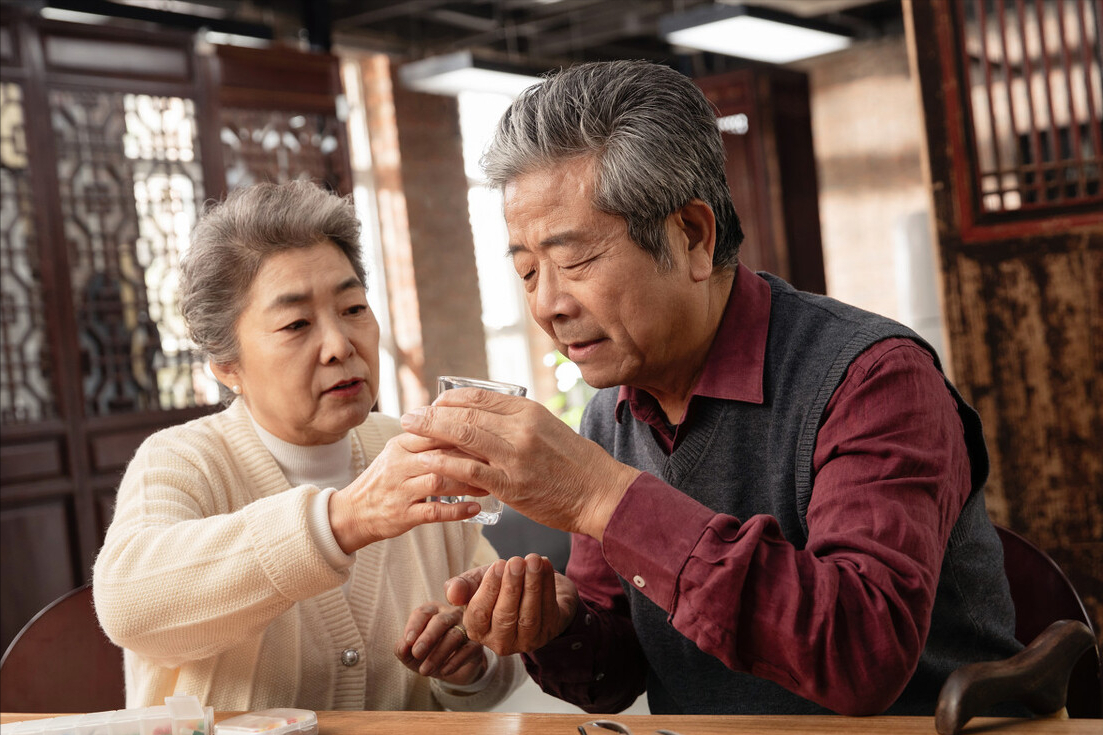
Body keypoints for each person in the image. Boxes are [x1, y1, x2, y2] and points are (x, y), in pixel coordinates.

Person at [399, 60, 1022, 716]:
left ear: (692, 236)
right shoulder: (610, 415)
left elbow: (861, 653)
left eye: (574, 260)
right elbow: (617, 677)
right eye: (526, 272)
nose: (548, 303)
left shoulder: (872, 378)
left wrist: (600, 494)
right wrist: (556, 625)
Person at [92, 181, 523, 710]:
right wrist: (344, 520)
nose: (341, 346)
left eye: (353, 308)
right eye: (296, 323)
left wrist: (471, 664)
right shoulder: (183, 460)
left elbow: (494, 642)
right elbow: (128, 604)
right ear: (227, 366)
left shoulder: (409, 450)